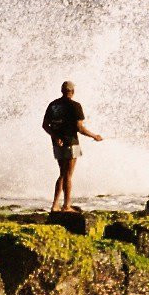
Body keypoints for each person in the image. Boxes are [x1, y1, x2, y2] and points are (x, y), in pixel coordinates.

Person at [42, 80, 103, 212]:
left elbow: (45, 125)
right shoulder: (75, 105)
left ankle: (55, 205)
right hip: (70, 143)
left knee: (62, 174)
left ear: (62, 91)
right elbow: (79, 128)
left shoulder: (53, 105)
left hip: (57, 144)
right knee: (67, 175)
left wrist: (55, 136)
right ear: (72, 92)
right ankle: (66, 206)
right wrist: (95, 136)